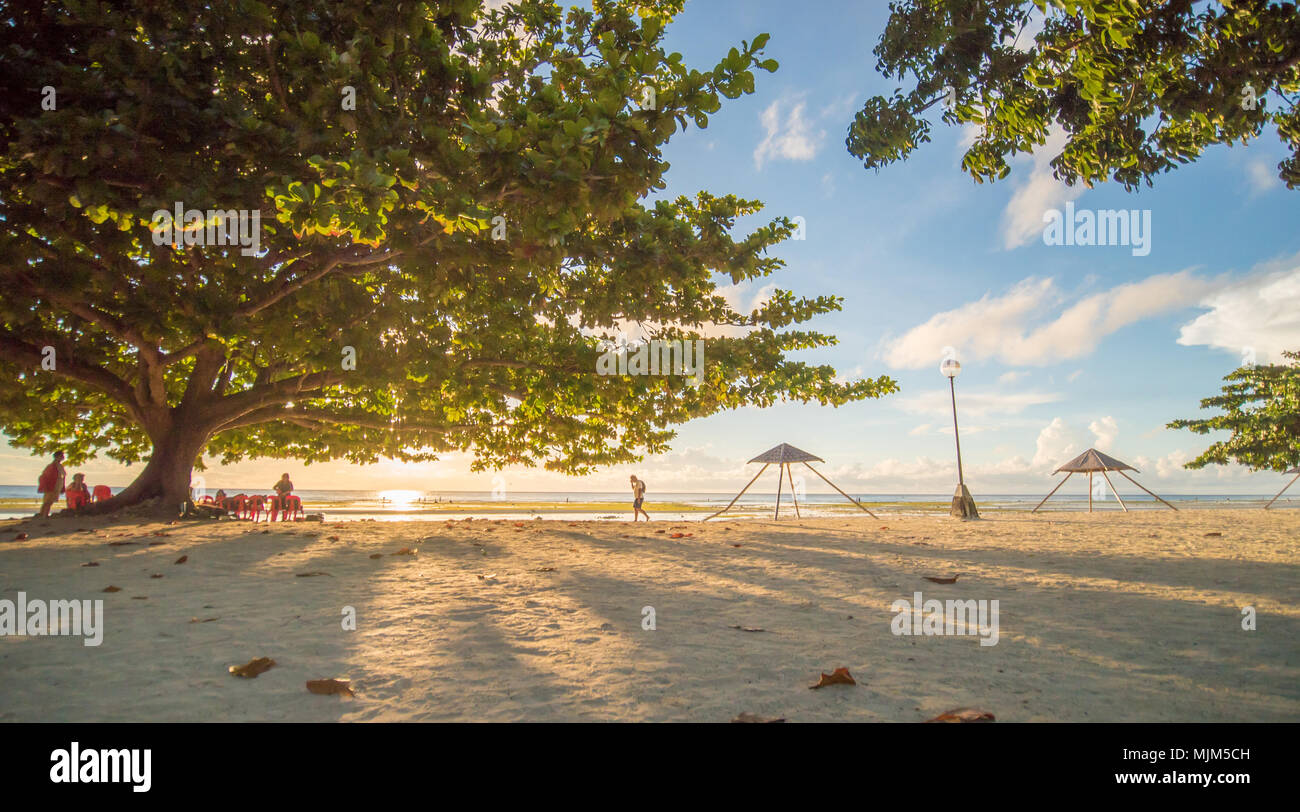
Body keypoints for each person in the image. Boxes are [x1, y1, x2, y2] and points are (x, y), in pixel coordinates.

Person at [36, 451, 67, 518]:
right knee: (48, 501)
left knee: (50, 501)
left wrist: (62, 487)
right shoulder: (52, 466)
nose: (63, 457)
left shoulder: (59, 466)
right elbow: (47, 476)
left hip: (57, 485)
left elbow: (63, 476)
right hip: (52, 486)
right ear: (57, 457)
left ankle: (43, 514)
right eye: (61, 456)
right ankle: (44, 515)